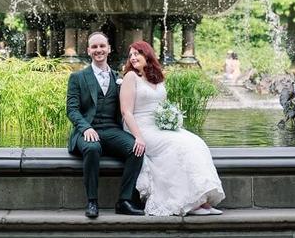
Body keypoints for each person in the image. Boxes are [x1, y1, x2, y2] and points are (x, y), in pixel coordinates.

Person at [120, 41, 225, 216]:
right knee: (178, 146)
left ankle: (201, 198)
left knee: (195, 142)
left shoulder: (157, 77)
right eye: (130, 55)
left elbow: (162, 105)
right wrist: (137, 137)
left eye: (137, 53)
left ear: (147, 55)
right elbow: (126, 111)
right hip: (140, 127)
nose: (133, 58)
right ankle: (188, 202)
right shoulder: (131, 77)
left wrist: (171, 118)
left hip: (158, 127)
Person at [66, 31, 145, 219]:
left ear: (109, 49)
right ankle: (92, 201)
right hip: (86, 131)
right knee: (92, 148)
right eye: (94, 47)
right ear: (88, 50)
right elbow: (72, 110)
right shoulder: (78, 78)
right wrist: (86, 128)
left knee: (136, 149)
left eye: (102, 46)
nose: (98, 50)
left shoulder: (120, 78)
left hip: (111, 130)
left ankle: (124, 201)